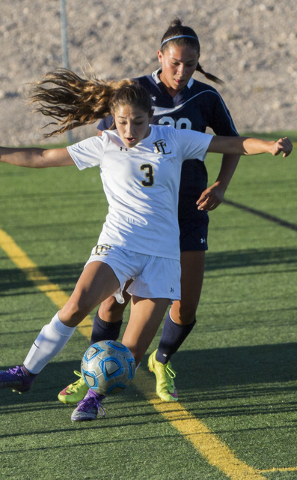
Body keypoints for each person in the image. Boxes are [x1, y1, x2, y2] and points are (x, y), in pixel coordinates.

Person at [0, 81, 292, 422]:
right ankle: (25, 374)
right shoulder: (104, 143)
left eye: (137, 122)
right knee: (76, 304)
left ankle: (94, 397)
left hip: (163, 256)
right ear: (113, 119)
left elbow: (232, 143)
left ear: (151, 118)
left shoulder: (174, 139)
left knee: (130, 352)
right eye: (122, 122)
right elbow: (43, 156)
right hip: (119, 244)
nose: (130, 129)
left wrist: (269, 145)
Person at [58, 18, 242, 406]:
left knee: (185, 305)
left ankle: (162, 360)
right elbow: (107, 134)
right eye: (175, 62)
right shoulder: (134, 92)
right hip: (139, 218)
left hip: (189, 211)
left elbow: (231, 144)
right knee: (112, 300)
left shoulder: (205, 98)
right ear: (160, 56)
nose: (182, 70)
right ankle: (92, 374)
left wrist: (221, 186)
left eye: (190, 64)